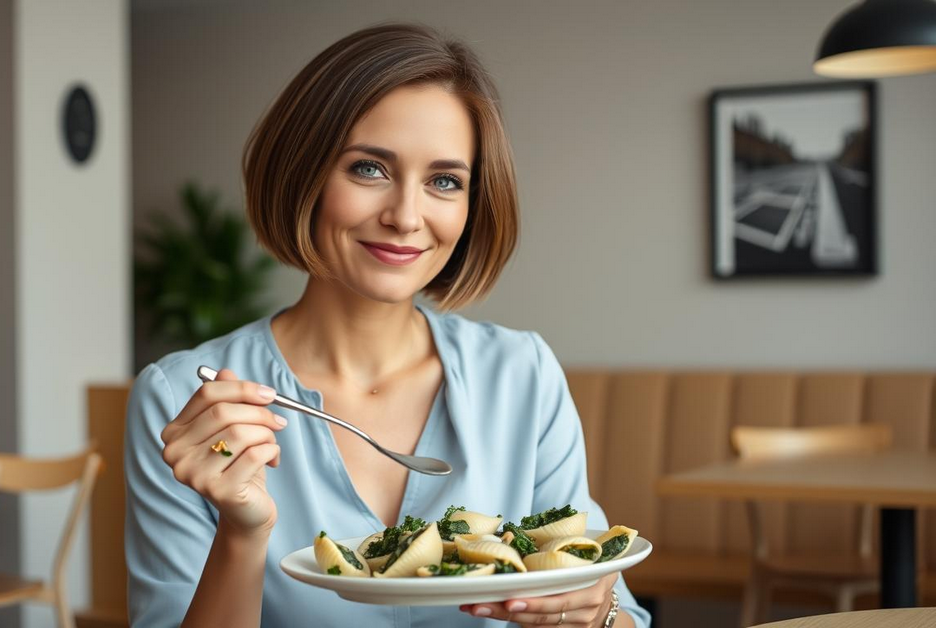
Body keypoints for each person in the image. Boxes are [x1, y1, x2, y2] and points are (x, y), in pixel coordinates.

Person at [125, 22, 651, 628]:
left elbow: (613, 607)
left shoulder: (522, 375)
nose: (406, 216)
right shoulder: (183, 403)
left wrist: (597, 612)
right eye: (369, 169)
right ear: (305, 175)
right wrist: (243, 535)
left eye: (445, 181)